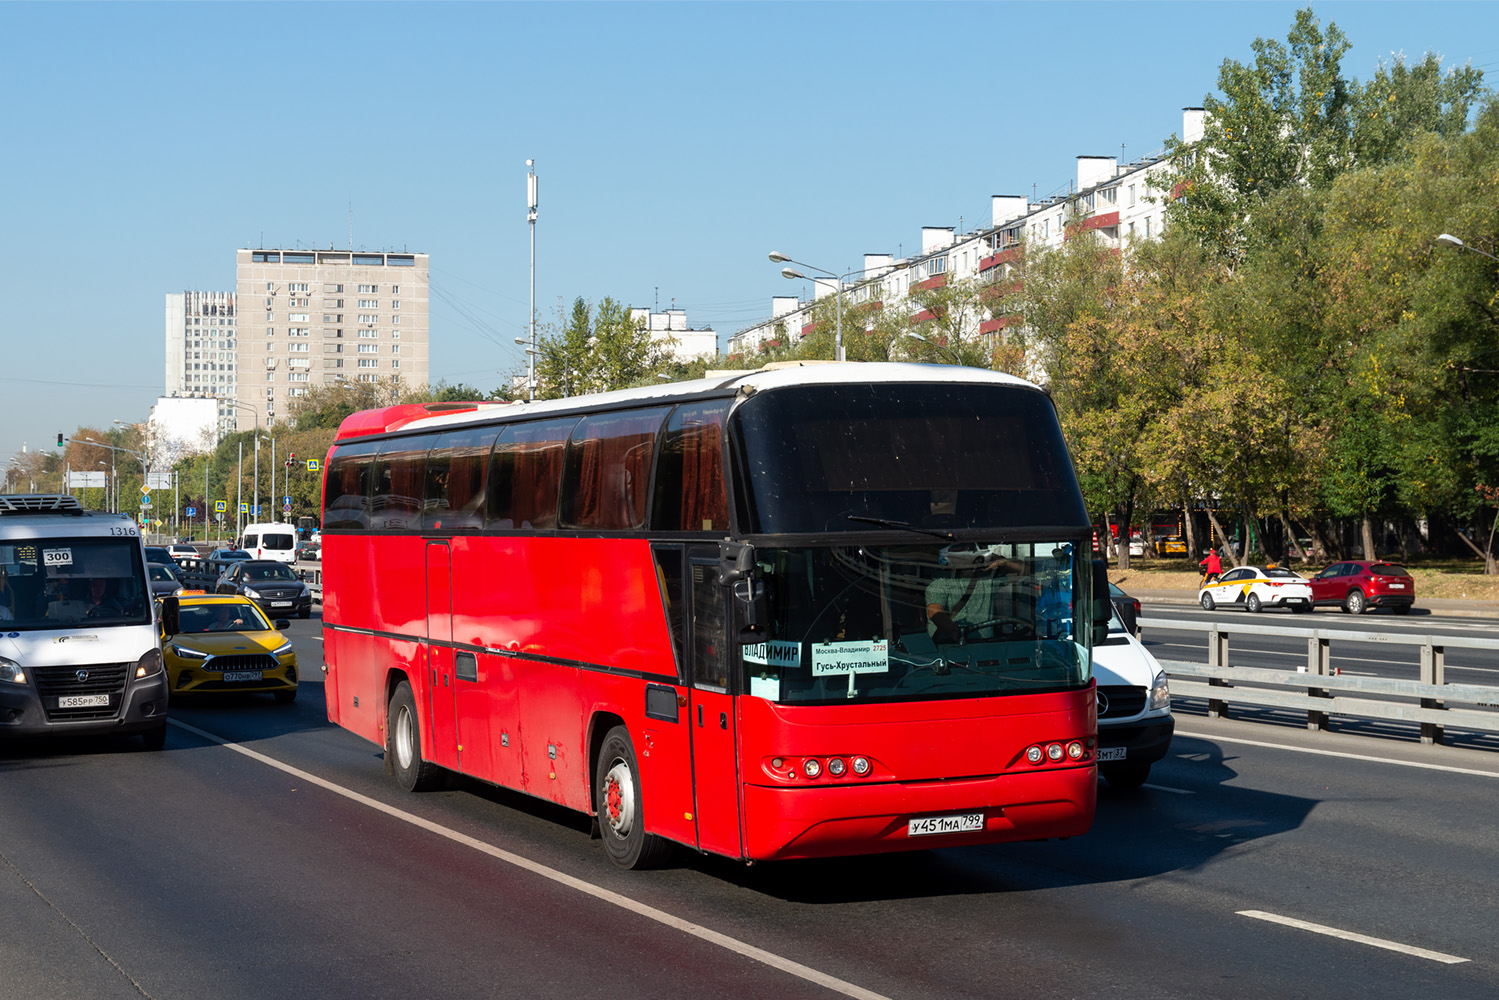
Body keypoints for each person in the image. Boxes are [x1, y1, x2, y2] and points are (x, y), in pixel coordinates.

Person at [926, 548, 1024, 644]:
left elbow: (1024, 571)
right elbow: (934, 610)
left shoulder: (987, 580)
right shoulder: (942, 580)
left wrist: (1002, 562)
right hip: (950, 647)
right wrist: (954, 631)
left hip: (984, 647)